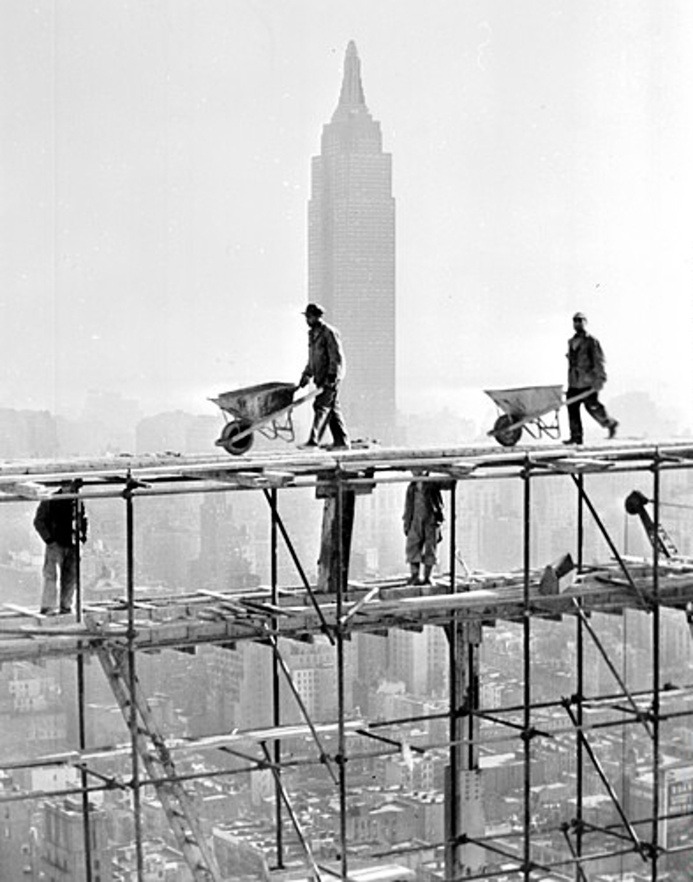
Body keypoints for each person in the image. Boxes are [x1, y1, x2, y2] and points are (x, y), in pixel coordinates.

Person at [297, 302, 350, 449]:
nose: (307, 320)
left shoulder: (329, 332)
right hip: (321, 378)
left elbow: (336, 356)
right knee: (332, 409)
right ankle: (342, 443)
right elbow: (313, 358)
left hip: (330, 378)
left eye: (309, 317)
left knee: (321, 406)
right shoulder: (312, 334)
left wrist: (333, 376)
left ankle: (314, 441)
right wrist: (306, 374)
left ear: (316, 317)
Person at [564, 311, 618, 445]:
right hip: (574, 382)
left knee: (593, 407)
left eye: (580, 320)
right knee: (572, 408)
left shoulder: (591, 341)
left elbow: (598, 360)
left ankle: (609, 423)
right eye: (575, 321)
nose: (578, 323)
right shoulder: (571, 341)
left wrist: (600, 379)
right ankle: (576, 436)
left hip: (588, 381)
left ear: (585, 323)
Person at [34, 484, 88, 615]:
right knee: (52, 576)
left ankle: (66, 607)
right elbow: (39, 521)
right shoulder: (50, 499)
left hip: (72, 543)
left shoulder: (77, 500)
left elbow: (83, 520)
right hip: (56, 544)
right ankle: (48, 607)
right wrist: (49, 540)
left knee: (71, 577)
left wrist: (82, 537)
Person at [402, 471, 444, 585]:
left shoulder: (432, 485)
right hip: (415, 519)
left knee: (430, 547)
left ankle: (427, 577)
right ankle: (414, 576)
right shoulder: (412, 488)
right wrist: (406, 522)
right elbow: (408, 506)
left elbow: (439, 501)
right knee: (413, 546)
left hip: (430, 519)